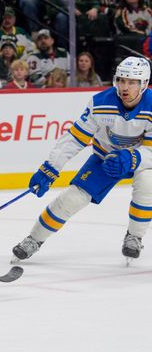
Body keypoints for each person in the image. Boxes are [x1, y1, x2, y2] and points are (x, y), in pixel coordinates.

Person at [12, 57, 152, 264]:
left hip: (142, 161)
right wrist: (50, 167)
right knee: (72, 198)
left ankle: (134, 237)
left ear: (144, 84)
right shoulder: (101, 102)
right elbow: (75, 138)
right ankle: (34, 239)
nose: (125, 87)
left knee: (148, 185)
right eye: (122, 80)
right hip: (106, 158)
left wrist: (133, 157)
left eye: (131, 82)